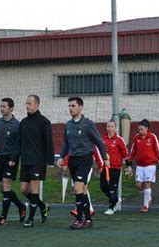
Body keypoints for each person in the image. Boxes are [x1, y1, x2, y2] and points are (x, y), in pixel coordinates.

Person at [57, 96, 109, 229]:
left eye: (73, 106)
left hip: (85, 159)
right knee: (83, 190)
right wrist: (62, 157)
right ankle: (89, 220)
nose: (70, 108)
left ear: (80, 107)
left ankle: (79, 219)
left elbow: (99, 141)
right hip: (73, 160)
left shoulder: (88, 124)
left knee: (77, 188)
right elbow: (66, 143)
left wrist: (105, 157)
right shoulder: (69, 124)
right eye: (69, 106)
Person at [10, 95, 55, 228]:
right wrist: (13, 158)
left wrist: (50, 160)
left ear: (37, 104)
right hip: (25, 161)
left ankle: (30, 219)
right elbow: (19, 142)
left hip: (38, 161)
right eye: (26, 103)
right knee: (24, 189)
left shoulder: (44, 122)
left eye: (30, 103)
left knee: (34, 189)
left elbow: (49, 142)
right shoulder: (23, 122)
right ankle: (43, 206)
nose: (27, 106)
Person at [0, 98, 27, 225]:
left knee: (6, 185)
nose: (2, 108)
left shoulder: (17, 125)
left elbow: (19, 144)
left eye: (4, 106)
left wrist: (13, 158)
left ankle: (3, 218)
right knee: (2, 189)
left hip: (11, 158)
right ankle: (21, 206)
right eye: (0, 106)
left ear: (11, 108)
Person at [126, 119, 159, 213]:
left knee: (147, 183)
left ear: (147, 129)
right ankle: (149, 197)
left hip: (150, 165)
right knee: (139, 185)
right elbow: (133, 151)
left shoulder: (153, 137)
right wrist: (129, 163)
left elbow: (158, 150)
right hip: (140, 165)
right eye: (139, 129)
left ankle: (145, 205)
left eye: (142, 129)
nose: (140, 131)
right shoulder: (136, 137)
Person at [101, 120, 129, 215]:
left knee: (112, 187)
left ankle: (111, 207)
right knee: (103, 187)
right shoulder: (102, 139)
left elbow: (125, 154)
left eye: (112, 126)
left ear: (115, 128)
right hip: (105, 167)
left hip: (115, 168)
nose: (110, 128)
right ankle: (115, 199)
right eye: (108, 126)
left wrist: (128, 166)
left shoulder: (119, 140)